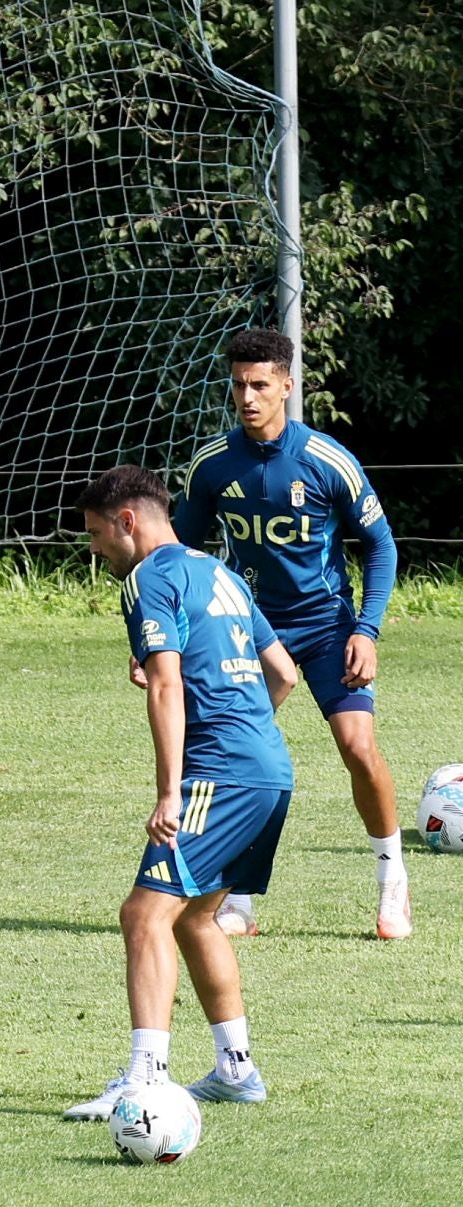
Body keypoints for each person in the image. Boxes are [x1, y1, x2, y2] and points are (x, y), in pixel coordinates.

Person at [66, 466, 298, 1121]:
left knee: (144, 914)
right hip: (268, 768)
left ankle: (144, 1078)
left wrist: (173, 790)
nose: (95, 548)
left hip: (217, 775)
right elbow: (282, 671)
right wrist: (244, 732)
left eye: (95, 533)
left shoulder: (148, 578)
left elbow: (166, 686)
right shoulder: (218, 571)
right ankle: (236, 1069)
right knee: (196, 917)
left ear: (128, 521)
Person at [171, 327, 406, 940]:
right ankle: (237, 896)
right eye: (238, 386)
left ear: (286, 387)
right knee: (241, 762)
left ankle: (393, 882)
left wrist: (369, 630)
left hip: (328, 626)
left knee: (357, 747)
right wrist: (166, 640)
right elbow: (177, 555)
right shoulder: (213, 464)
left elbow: (379, 544)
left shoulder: (326, 460)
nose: (247, 397)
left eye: (259, 385)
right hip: (247, 630)